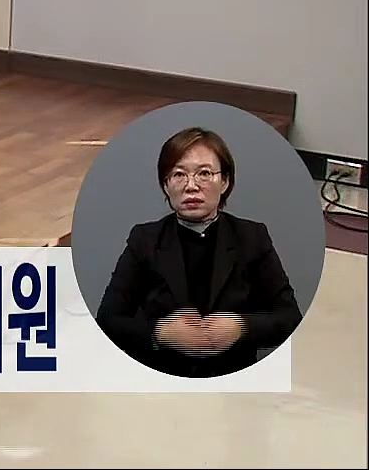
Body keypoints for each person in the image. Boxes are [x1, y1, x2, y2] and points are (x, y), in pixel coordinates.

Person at [95, 126, 302, 378]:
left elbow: (289, 316)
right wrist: (160, 333)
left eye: (204, 173)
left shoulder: (252, 237)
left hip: (233, 380)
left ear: (224, 181)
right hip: (160, 377)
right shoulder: (145, 239)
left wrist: (241, 327)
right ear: (165, 185)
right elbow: (108, 319)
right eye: (178, 175)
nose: (191, 186)